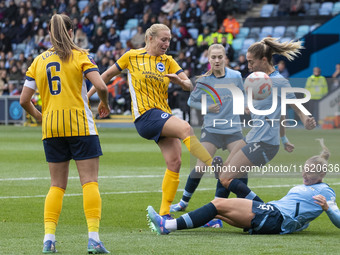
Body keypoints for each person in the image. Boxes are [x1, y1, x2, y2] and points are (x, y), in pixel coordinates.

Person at [88, 23, 213, 218]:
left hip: (162, 114)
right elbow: (104, 76)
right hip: (145, 115)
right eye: (163, 39)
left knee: (175, 162)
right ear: (150, 38)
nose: (167, 44)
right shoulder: (131, 56)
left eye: (169, 40)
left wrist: (182, 82)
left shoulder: (168, 61)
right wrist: (87, 97)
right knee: (185, 128)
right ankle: (213, 164)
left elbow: (189, 84)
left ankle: (164, 216)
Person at [19, 14, 110, 254]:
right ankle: (93, 239)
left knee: (56, 186)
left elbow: (24, 100)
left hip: (52, 128)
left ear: (50, 32)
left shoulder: (38, 61)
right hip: (80, 125)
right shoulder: (80, 55)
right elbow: (100, 85)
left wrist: (41, 117)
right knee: (89, 182)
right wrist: (104, 103)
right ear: (71, 32)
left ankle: (48, 240)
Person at [147, 139, 340, 235]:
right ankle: (221, 188)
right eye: (304, 171)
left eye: (310, 173)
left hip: (274, 216)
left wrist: (326, 209)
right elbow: (301, 215)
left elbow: (338, 220)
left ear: (322, 175)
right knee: (226, 192)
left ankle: (167, 226)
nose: (305, 175)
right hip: (270, 210)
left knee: (218, 203)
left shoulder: (326, 192)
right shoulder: (307, 187)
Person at [170, 44, 246, 218]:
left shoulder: (236, 76)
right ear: (209, 59)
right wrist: (207, 106)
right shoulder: (203, 80)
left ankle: (236, 203)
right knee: (200, 167)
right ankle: (183, 202)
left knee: (240, 167)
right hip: (212, 130)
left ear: (225, 58)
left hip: (233, 129)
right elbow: (191, 102)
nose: (217, 60)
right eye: (214, 57)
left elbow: (242, 95)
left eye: (220, 57)